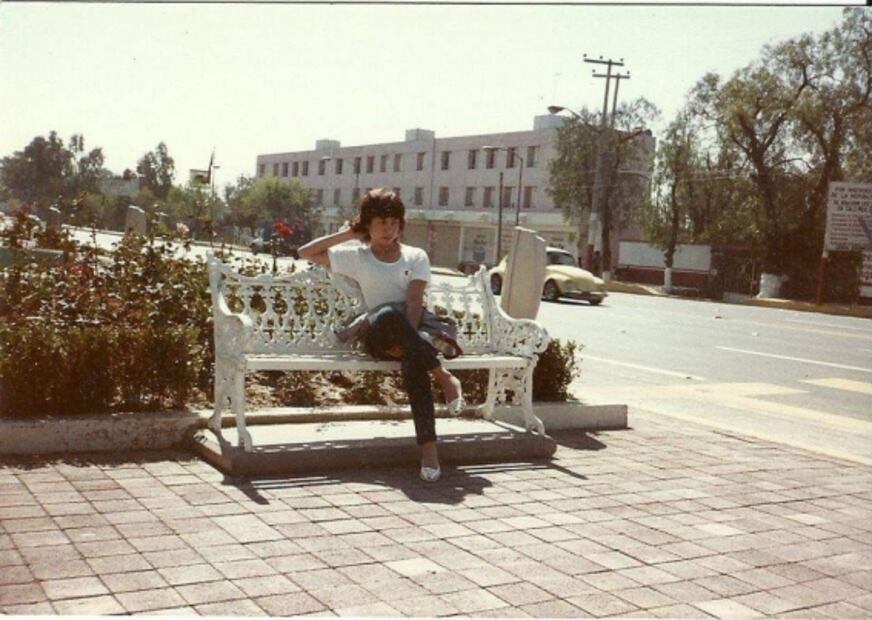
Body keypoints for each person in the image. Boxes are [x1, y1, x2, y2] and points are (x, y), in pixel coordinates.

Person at [298, 188, 463, 482]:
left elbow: (414, 303)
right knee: (386, 314)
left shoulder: (415, 257)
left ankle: (429, 452)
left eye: (393, 222)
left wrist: (405, 341)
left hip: (409, 333)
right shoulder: (357, 256)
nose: (388, 229)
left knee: (413, 359)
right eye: (380, 222)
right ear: (367, 225)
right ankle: (444, 377)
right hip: (376, 336)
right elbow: (305, 252)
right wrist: (349, 233)